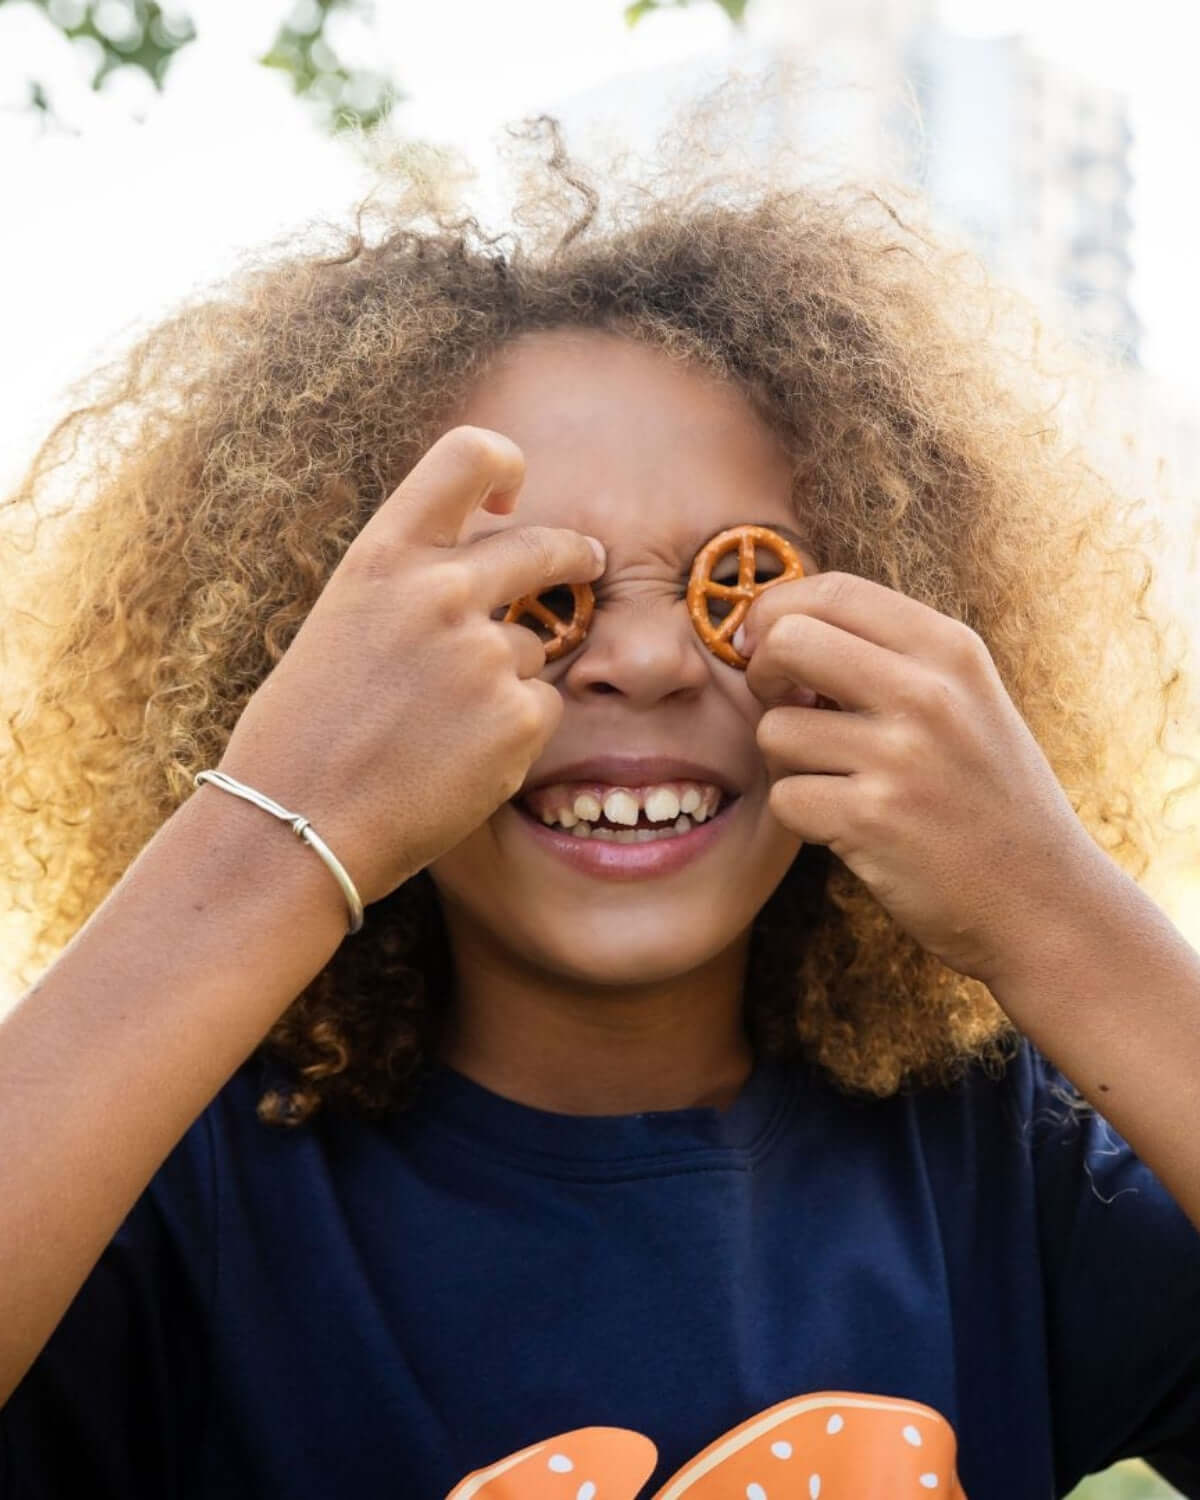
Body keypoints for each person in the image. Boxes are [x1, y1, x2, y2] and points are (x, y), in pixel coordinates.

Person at [1, 107, 1199, 1500]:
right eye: (532, 597)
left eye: (734, 584)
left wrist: (1056, 910)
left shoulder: (1009, 1162)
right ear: (327, 674)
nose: (641, 658)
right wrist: (273, 832)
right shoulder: (166, 1193)